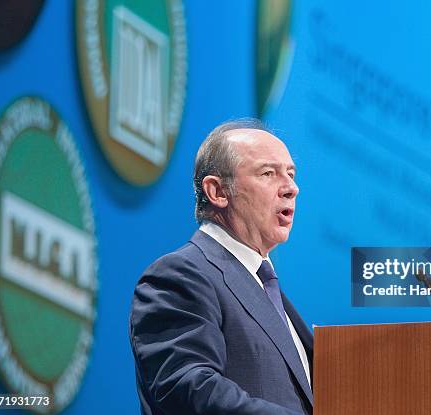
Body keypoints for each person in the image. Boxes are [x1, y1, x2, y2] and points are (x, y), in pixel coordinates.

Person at [129, 119, 313, 415]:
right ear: (217, 192)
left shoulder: (268, 289)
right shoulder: (181, 276)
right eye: (268, 173)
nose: (291, 188)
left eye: (290, 174)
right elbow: (188, 388)